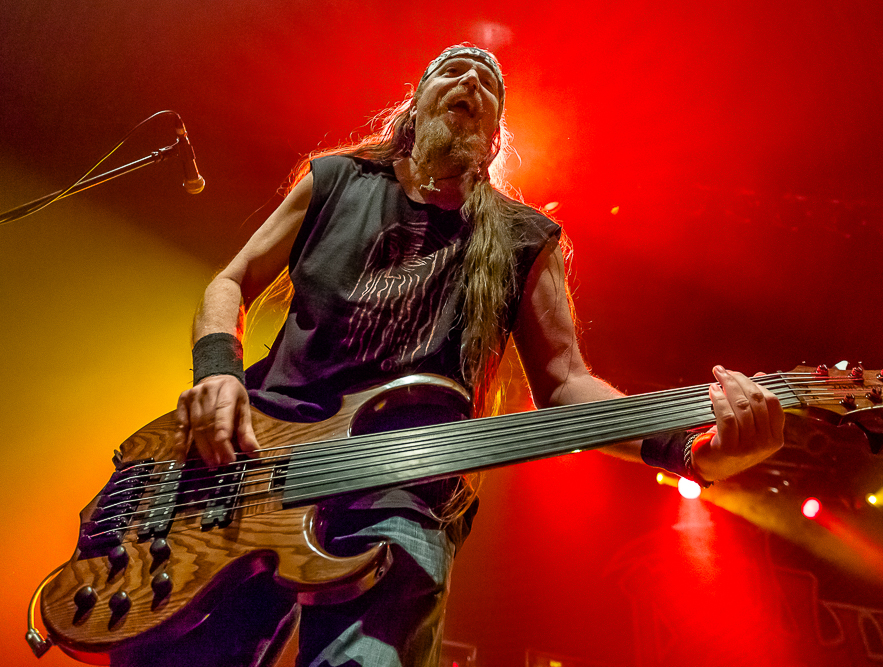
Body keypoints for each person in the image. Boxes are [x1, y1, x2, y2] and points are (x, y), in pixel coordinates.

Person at [150, 45, 783, 667]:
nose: (471, 83)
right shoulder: (335, 179)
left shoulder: (522, 237)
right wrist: (218, 375)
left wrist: (689, 450)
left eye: (488, 85)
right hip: (254, 463)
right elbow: (230, 281)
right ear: (414, 106)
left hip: (402, 492)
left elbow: (566, 383)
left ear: (495, 136)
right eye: (453, 72)